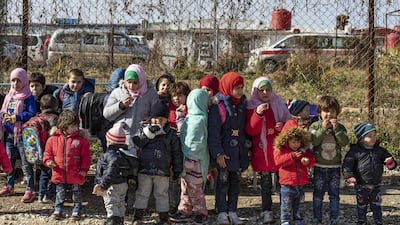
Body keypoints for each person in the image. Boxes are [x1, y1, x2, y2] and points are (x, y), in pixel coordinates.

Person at [245, 77, 291, 223]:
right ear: (255, 91)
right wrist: (258, 114)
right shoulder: (251, 106)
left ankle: (286, 210)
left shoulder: (277, 102)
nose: (265, 93)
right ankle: (267, 210)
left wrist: (282, 125)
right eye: (261, 90)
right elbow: (251, 130)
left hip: (278, 149)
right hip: (262, 150)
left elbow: (289, 122)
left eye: (268, 89)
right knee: (265, 182)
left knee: (282, 181)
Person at [208, 72, 250, 225]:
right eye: (236, 88)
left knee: (236, 182)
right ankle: (222, 211)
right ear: (228, 87)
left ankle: (233, 210)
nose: (239, 91)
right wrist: (218, 153)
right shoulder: (218, 107)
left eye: (241, 88)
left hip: (239, 153)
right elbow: (214, 133)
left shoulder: (243, 105)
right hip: (224, 153)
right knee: (222, 182)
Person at [132, 99, 183, 225]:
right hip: (145, 169)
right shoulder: (144, 129)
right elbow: (138, 142)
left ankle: (163, 218)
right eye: (155, 118)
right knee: (142, 193)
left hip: (163, 170)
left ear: (166, 119)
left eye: (161, 118)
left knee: (162, 194)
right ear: (151, 117)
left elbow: (176, 152)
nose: (158, 121)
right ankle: (138, 217)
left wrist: (177, 169)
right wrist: (149, 132)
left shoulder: (170, 133)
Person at [342, 123, 397, 225]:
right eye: (369, 136)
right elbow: (348, 163)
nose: (373, 138)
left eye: (374, 135)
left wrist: (391, 163)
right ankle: (362, 220)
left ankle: (378, 220)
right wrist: (349, 175)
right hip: (361, 183)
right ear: (361, 139)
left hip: (376, 183)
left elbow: (388, 159)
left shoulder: (380, 150)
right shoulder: (355, 151)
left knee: (376, 203)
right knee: (362, 203)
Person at [42, 110, 91, 221]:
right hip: (59, 172)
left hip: (76, 173)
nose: (75, 128)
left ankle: (76, 210)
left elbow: (86, 157)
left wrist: (84, 169)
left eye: (76, 126)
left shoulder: (82, 141)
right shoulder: (53, 139)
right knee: (60, 192)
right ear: (64, 126)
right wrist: (48, 161)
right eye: (72, 126)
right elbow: (47, 154)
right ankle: (58, 209)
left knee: (77, 192)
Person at [170, 89, 209, 224]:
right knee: (186, 187)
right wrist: (180, 116)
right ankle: (185, 210)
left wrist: (190, 158)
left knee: (196, 189)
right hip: (188, 161)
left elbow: (196, 142)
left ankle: (201, 212)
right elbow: (184, 132)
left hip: (194, 162)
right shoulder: (193, 117)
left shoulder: (199, 120)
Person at [309, 95, 349, 225]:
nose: (329, 114)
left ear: (337, 112)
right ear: (320, 112)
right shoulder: (315, 126)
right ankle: (317, 217)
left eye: (332, 111)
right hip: (319, 166)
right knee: (318, 194)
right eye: (326, 111)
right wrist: (322, 129)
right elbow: (314, 142)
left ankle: (334, 218)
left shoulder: (340, 127)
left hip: (335, 167)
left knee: (334, 195)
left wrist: (336, 129)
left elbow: (344, 142)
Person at [0, 68, 37, 203]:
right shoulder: (10, 95)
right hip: (9, 134)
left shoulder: (28, 97)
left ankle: (30, 189)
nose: (15, 83)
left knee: (25, 163)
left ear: (24, 81)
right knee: (9, 161)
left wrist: (16, 117)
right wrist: (3, 115)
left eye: (18, 81)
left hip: (23, 134)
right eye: (13, 80)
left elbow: (31, 113)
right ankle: (9, 186)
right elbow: (4, 109)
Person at [103, 64, 159, 153]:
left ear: (141, 80)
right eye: (129, 82)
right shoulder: (117, 92)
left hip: (143, 139)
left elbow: (157, 112)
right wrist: (121, 106)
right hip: (120, 138)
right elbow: (107, 114)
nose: (131, 86)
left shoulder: (151, 94)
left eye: (135, 82)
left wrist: (151, 119)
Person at [93, 122, 136, 225]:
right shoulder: (125, 154)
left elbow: (110, 171)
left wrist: (103, 185)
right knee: (120, 202)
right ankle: (120, 220)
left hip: (112, 185)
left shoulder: (110, 156)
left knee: (111, 204)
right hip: (123, 183)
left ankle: (113, 221)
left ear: (109, 141)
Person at [274, 127, 315, 225]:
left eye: (298, 142)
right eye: (293, 142)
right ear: (286, 141)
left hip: (301, 183)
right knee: (286, 204)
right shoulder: (282, 150)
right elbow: (278, 162)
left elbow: (311, 159)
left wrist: (307, 161)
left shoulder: (304, 151)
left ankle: (298, 219)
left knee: (300, 204)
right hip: (287, 184)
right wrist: (291, 156)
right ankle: (285, 220)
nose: (296, 145)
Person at [37, 94, 59, 203]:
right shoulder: (55, 119)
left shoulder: (38, 117)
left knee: (44, 174)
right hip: (52, 153)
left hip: (39, 151)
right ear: (56, 107)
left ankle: (41, 195)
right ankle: (50, 195)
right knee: (55, 174)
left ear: (41, 107)